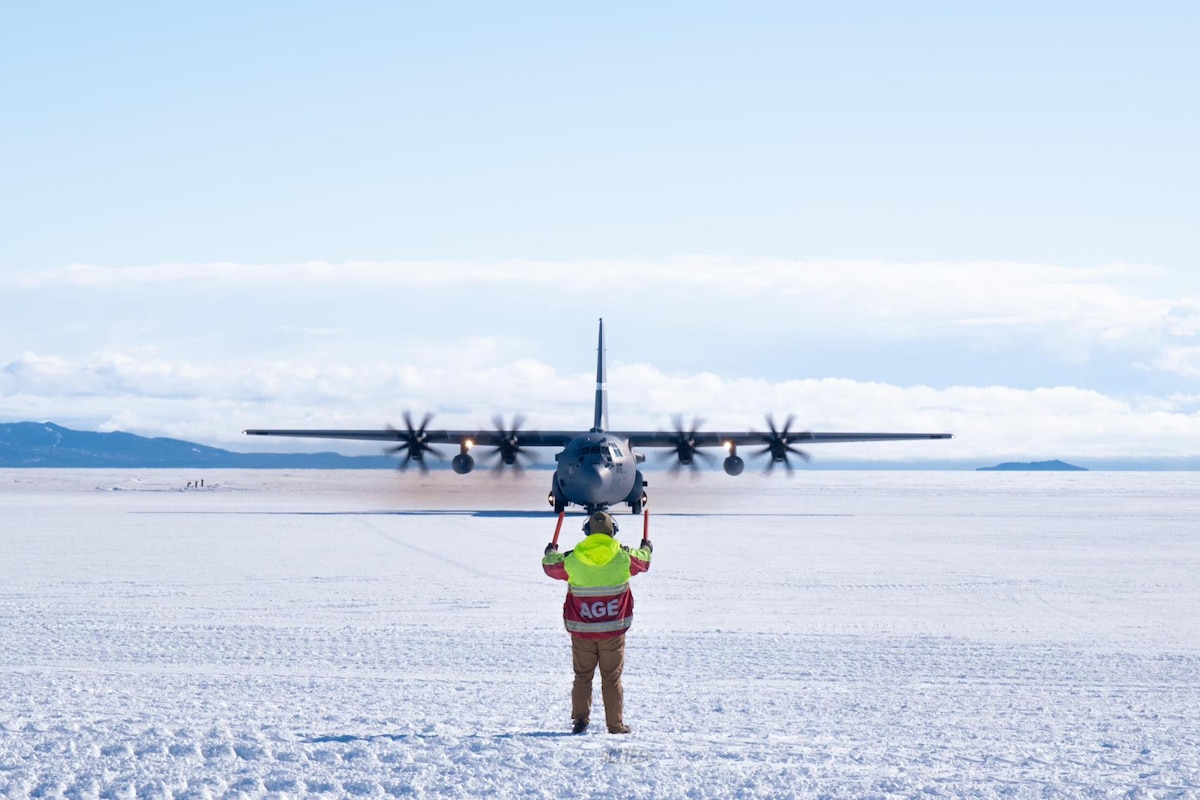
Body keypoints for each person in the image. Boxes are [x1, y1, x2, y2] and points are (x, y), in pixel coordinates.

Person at [542, 510, 652, 734]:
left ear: (587, 531)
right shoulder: (623, 557)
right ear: (612, 531)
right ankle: (615, 725)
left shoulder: (573, 558)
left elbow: (550, 566)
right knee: (611, 678)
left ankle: (580, 721)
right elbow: (644, 561)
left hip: (582, 631)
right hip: (613, 630)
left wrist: (550, 552)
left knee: (582, 677)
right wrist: (647, 547)